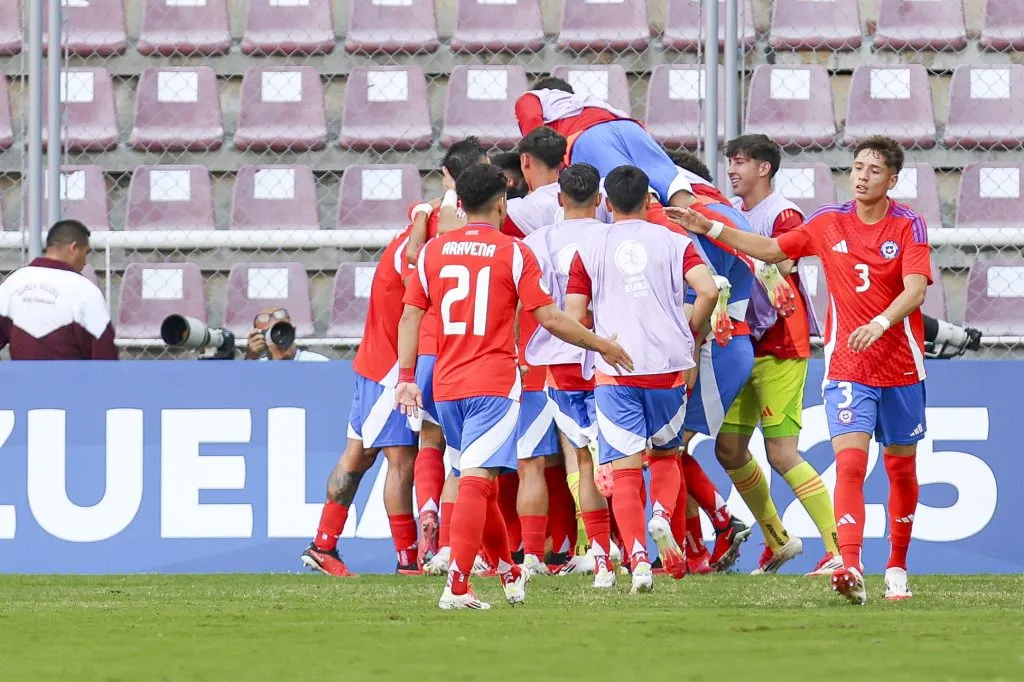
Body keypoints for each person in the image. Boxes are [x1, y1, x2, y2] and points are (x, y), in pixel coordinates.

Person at [666, 135, 930, 604]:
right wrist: (709, 226)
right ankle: (848, 563)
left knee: (900, 471)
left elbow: (915, 290)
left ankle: (897, 567)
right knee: (849, 464)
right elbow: (769, 250)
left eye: (873, 169)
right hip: (848, 365)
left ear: (892, 179)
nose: (862, 176)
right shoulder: (829, 221)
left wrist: (881, 321)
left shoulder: (909, 225)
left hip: (901, 365)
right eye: (856, 167)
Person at [395, 163, 632, 609]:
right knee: (478, 482)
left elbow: (410, 315)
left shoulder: (432, 252)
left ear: (459, 205)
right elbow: (550, 317)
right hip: (495, 382)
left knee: (472, 477)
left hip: (444, 383)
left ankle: (507, 569)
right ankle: (458, 586)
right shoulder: (514, 252)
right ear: (501, 204)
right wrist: (600, 344)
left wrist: (406, 378)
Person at [564, 165, 720, 593]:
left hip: (616, 369)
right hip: (668, 365)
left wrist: (601, 340)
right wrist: (688, 334)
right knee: (668, 455)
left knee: (625, 468)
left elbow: (574, 315)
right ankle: (661, 518)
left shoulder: (590, 246)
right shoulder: (674, 240)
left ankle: (637, 561)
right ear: (651, 202)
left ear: (607, 204)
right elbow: (708, 290)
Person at [725, 134, 842, 576]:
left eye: (740, 162)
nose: (733, 170)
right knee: (729, 448)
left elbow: (781, 269)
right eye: (731, 162)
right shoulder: (736, 214)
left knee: (781, 453)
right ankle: (778, 540)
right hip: (742, 344)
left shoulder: (783, 213)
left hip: (780, 343)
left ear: (764, 168)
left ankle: (839, 549)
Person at [300, 210, 436, 578]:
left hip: (372, 363)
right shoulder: (418, 248)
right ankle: (408, 561)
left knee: (357, 456)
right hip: (391, 368)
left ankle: (323, 545)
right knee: (402, 459)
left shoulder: (412, 233)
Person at [523, 162, 618, 588]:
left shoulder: (537, 242)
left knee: (582, 454)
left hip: (561, 357)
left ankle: (600, 554)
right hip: (612, 354)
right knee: (625, 456)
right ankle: (631, 547)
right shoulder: (614, 237)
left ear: (559, 199)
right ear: (600, 200)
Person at [0, 219, 116, 360]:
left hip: (22, 379)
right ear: (73, 248)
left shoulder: (14, 282)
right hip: (72, 380)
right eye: (85, 253)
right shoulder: (85, 290)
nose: (85, 262)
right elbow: (105, 355)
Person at [243, 306, 328, 361]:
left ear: (292, 331)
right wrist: (250, 358)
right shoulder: (257, 368)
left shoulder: (317, 362)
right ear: (261, 337)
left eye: (283, 329)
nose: (280, 335)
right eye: (273, 331)